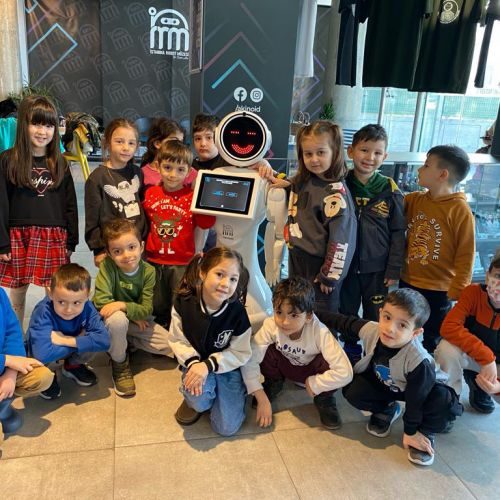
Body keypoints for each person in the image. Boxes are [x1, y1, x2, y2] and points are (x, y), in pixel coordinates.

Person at [323, 289, 463, 467]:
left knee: (443, 401)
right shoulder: (374, 330)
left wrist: (410, 431)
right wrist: (311, 313)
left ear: (415, 333)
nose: (390, 328)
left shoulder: (419, 361)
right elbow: (343, 322)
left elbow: (417, 399)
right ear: (380, 313)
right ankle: (388, 408)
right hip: (390, 386)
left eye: (402, 325)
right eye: (387, 317)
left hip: (423, 394)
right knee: (353, 389)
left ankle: (424, 432)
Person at [0, 95, 78, 329]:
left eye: (49, 125)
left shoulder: (60, 162)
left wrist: (71, 240)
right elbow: (1, 204)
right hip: (17, 236)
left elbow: (70, 204)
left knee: (55, 291)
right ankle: (16, 338)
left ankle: (51, 336)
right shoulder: (7, 160)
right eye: (36, 123)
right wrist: (2, 243)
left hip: (53, 236)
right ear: (23, 124)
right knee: (16, 291)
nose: (43, 131)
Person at [241, 277, 353, 430]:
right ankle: (274, 382)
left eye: (293, 315)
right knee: (263, 348)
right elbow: (251, 358)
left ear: (308, 316)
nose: (284, 321)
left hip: (311, 372)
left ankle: (324, 398)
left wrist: (317, 383)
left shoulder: (320, 332)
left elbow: (345, 372)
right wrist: (260, 395)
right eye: (279, 312)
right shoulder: (271, 325)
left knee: (327, 360)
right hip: (286, 366)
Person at [272, 121, 357, 313]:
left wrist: (329, 276)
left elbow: (342, 240)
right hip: (297, 258)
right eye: (308, 154)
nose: (314, 159)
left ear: (335, 152)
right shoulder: (304, 181)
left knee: (321, 317)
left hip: (319, 267)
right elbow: (293, 187)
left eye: (321, 152)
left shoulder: (336, 194)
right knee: (297, 311)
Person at [168, 247, 252, 436]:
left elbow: (241, 352)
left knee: (227, 428)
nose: (225, 284)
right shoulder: (184, 302)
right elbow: (177, 339)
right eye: (219, 274)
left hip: (227, 368)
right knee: (198, 402)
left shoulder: (237, 312)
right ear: (202, 272)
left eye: (233, 279)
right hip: (195, 364)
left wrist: (209, 365)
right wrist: (194, 365)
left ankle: (231, 395)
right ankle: (201, 398)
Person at [399, 145, 475, 353]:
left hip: (439, 289)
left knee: (431, 336)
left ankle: (427, 368)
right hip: (408, 280)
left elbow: (466, 253)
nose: (419, 170)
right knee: (404, 328)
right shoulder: (414, 200)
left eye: (426, 166)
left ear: (442, 174)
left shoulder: (460, 210)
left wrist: (459, 287)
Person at [93, 219, 171, 397]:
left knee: (167, 345)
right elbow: (102, 303)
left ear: (141, 247)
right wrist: (130, 313)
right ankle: (119, 362)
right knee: (117, 321)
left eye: (131, 247)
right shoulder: (107, 266)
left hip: (137, 320)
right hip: (113, 320)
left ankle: (122, 342)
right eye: (117, 251)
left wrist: (123, 306)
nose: (126, 255)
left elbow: (146, 309)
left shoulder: (148, 271)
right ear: (109, 254)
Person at [143, 140, 215, 328]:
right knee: (156, 304)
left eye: (180, 170)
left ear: (189, 171)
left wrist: (203, 197)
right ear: (158, 166)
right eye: (168, 167)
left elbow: (206, 223)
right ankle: (159, 334)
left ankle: (178, 334)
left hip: (182, 262)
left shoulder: (191, 197)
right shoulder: (150, 193)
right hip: (154, 261)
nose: (173, 175)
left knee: (180, 303)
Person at [340, 124, 405, 321]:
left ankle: (374, 340)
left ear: (385, 157)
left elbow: (398, 232)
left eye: (377, 153)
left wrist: (394, 268)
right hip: (346, 265)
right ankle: (349, 340)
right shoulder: (340, 184)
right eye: (364, 150)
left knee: (376, 314)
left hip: (378, 269)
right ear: (351, 151)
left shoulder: (389, 189)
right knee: (346, 312)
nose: (370, 157)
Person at [26, 263, 110, 400]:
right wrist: (80, 341)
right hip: (43, 353)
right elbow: (42, 354)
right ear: (50, 293)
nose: (69, 310)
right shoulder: (43, 311)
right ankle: (49, 374)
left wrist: (65, 340)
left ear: (87, 296)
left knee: (93, 339)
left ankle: (72, 366)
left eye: (76, 303)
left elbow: (104, 341)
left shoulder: (88, 307)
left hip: (57, 345)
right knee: (88, 340)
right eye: (61, 302)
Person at [435, 252, 500, 414]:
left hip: (496, 367)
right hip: (471, 356)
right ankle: (448, 402)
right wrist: (486, 358)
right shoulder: (473, 293)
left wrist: (498, 387)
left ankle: (479, 387)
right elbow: (448, 327)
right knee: (446, 349)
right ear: (487, 276)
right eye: (498, 276)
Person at [84, 118, 147, 268]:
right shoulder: (97, 178)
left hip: (136, 246)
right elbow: (92, 219)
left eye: (131, 143)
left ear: (137, 146)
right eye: (119, 142)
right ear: (107, 143)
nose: (126, 147)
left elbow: (142, 208)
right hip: (113, 249)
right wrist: (98, 250)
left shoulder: (137, 172)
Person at [0, 287, 53, 443]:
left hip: (5, 364)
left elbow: (12, 330)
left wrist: (11, 373)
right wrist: (7, 361)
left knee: (42, 376)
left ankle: (3, 407)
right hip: (4, 361)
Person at [139, 117, 191, 187]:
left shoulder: (189, 171)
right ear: (157, 143)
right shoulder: (142, 174)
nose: (178, 145)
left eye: (181, 142)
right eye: (174, 141)